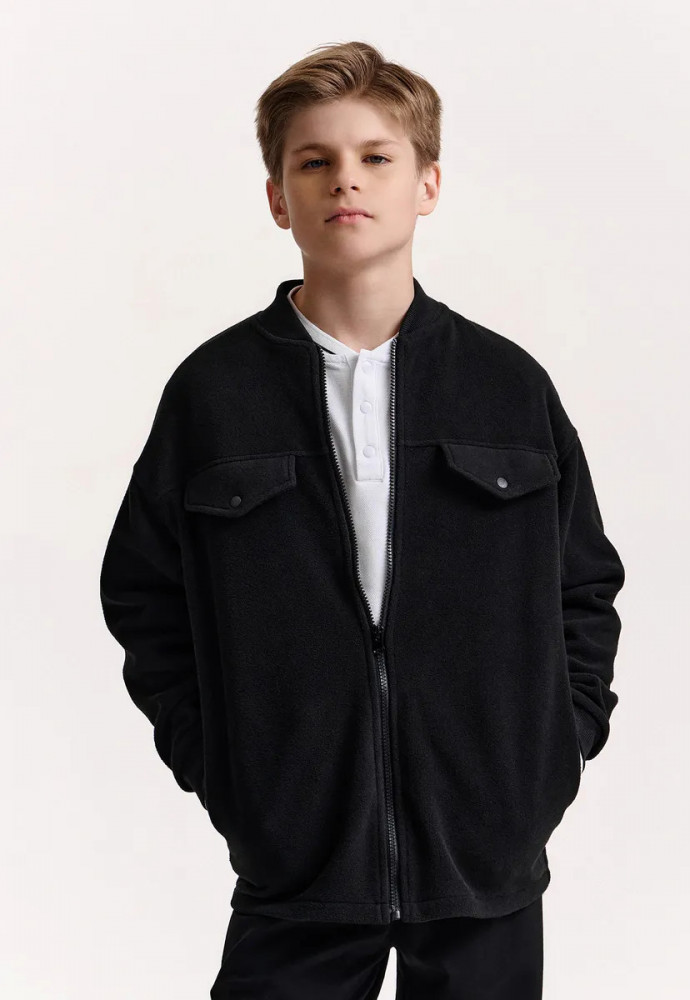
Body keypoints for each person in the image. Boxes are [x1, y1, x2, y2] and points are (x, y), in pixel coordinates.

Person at [99, 40, 625, 999]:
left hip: (485, 854)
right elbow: (144, 594)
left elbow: (582, 585)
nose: (346, 179)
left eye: (376, 156)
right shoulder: (214, 394)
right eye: (315, 161)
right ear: (278, 198)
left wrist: (554, 748)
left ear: (428, 184)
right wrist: (227, 766)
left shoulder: (507, 386)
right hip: (298, 860)